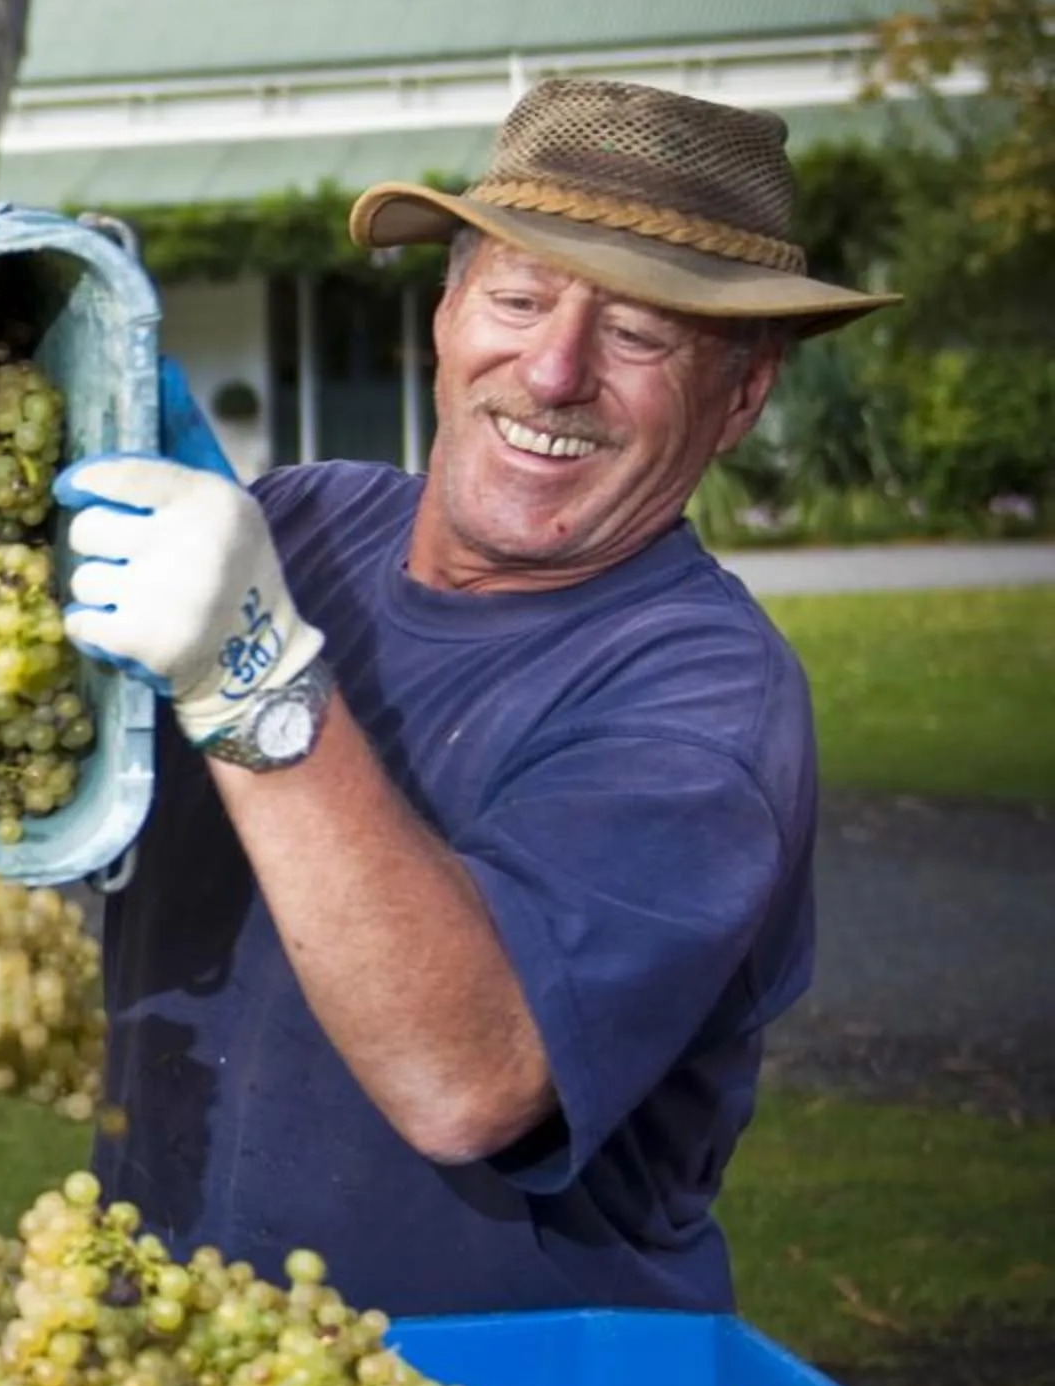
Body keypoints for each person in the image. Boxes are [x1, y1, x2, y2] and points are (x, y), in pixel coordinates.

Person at [53, 77, 897, 1319]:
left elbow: (471, 1072)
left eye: (640, 335)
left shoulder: (706, 703)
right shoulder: (299, 525)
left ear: (744, 395)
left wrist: (255, 672)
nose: (554, 370)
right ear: (446, 312)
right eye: (516, 296)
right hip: (166, 1367)